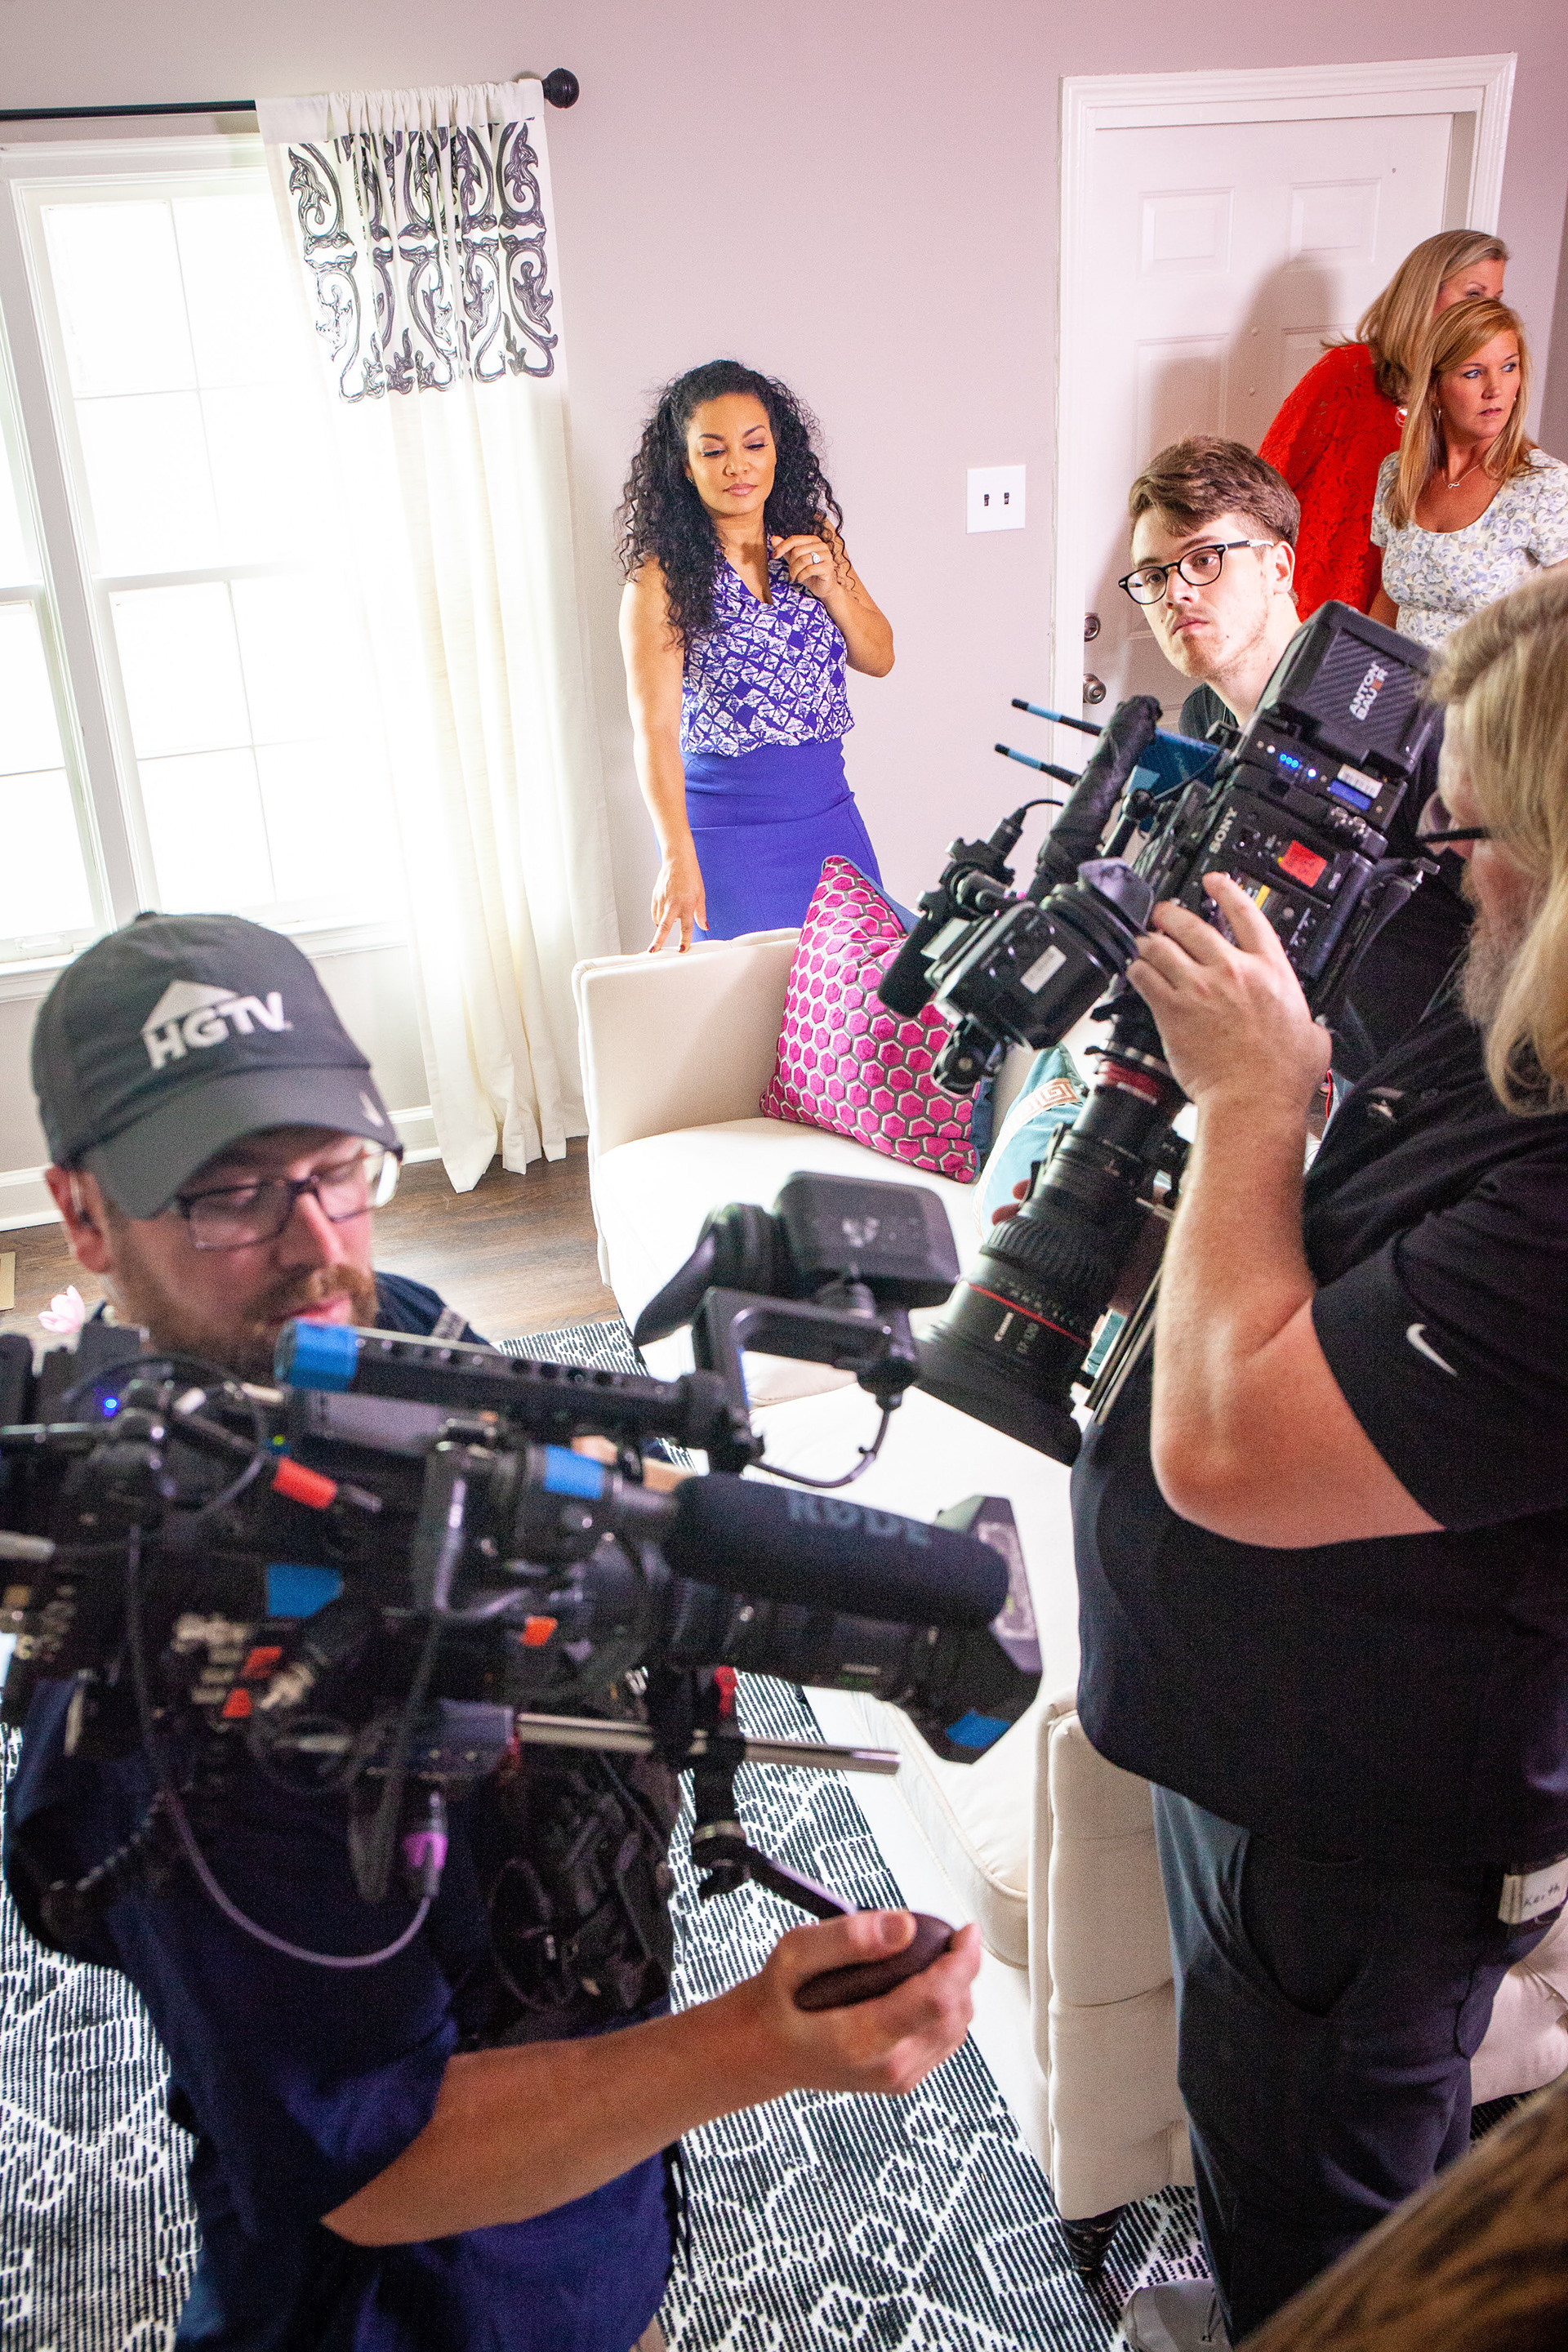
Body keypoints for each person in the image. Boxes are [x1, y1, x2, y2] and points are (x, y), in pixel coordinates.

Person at [2, 910, 979, 2352]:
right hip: (420, 2301)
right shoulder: (168, 1668)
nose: (315, 1249)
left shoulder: (373, 1324)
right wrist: (762, 2044)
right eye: (230, 1196)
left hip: (583, 2133)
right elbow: (377, 2162)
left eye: (339, 1168)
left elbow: (569, 1483)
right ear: (84, 1215)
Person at [1068, 568, 1568, 2351]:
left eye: (1480, 834)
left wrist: (1251, 1103)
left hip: (1360, 1833)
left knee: (1342, 2254)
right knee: (1274, 2140)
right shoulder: (1518, 1003)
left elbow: (1229, 1449)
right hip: (1267, 1748)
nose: (1449, 866)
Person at [1121, 436, 1468, 1069]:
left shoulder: (1402, 708)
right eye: (1154, 575)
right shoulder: (1203, 722)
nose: (1176, 593)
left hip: (1451, 1074)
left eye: (1204, 559)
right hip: (1319, 1066)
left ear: (1279, 568)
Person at [617, 359, 894, 951]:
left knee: (863, 992)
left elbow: (879, 657)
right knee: (753, 1000)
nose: (737, 466)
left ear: (776, 451)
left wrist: (832, 590)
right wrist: (676, 855)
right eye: (713, 451)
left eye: (754, 444)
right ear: (686, 465)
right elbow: (655, 730)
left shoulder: (814, 537)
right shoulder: (659, 580)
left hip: (831, 822)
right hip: (727, 839)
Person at [1259, 229, 1508, 618]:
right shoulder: (1345, 374)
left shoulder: (1471, 399)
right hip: (1309, 606)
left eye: (1496, 300)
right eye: (1474, 295)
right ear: (1424, 293)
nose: (1484, 314)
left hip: (1400, 618)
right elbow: (1263, 487)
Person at [1370, 297, 1568, 651]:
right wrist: (1354, 671)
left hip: (1494, 685)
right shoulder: (1397, 475)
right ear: (1434, 388)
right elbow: (1389, 600)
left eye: (1509, 367)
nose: (1495, 389)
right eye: (1473, 373)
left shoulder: (1544, 484)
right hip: (1402, 683)